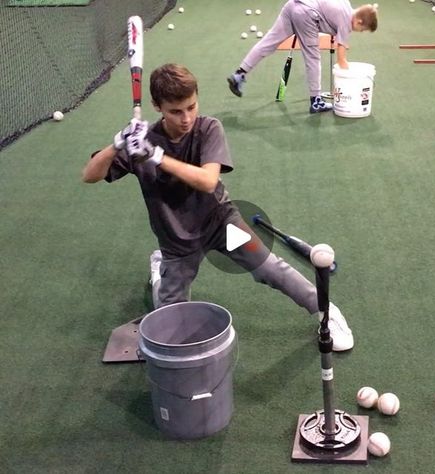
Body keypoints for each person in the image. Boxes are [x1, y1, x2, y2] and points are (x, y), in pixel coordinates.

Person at [82, 63, 353, 351]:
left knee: (270, 268)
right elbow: (90, 176)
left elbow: (208, 181)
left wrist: (157, 157)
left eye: (191, 106)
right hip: (176, 244)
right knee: (168, 322)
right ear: (157, 106)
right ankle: (161, 270)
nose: (186, 118)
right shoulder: (140, 140)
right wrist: (115, 146)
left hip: (222, 226)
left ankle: (327, 311)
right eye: (176, 111)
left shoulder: (208, 128)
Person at [227, 1, 378, 113]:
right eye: (362, 29)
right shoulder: (347, 21)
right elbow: (341, 59)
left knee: (268, 41)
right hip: (307, 14)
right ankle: (316, 101)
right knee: (313, 57)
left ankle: (239, 74)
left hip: (293, 5)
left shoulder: (345, 3)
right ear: (359, 21)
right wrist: (353, 77)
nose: (360, 31)